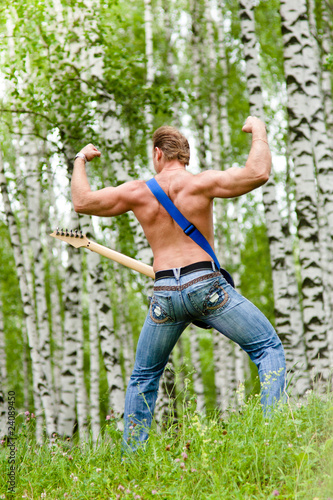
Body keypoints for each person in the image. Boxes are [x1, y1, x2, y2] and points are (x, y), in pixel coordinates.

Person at [71, 116, 286, 451]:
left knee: (144, 377)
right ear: (185, 157)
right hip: (206, 286)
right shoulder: (200, 183)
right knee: (268, 348)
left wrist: (80, 159)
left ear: (158, 154)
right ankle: (275, 436)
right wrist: (258, 128)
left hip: (164, 295)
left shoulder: (137, 192)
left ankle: (133, 458)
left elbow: (82, 202)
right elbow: (258, 173)